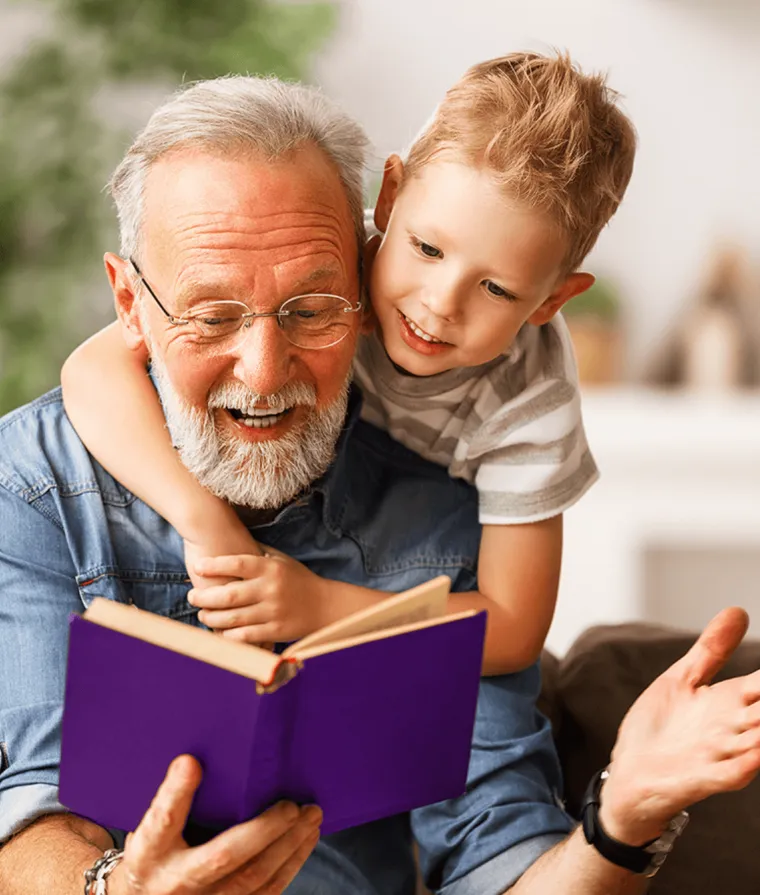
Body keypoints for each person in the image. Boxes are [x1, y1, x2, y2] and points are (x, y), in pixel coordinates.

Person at [1, 73, 760, 895]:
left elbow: (497, 850)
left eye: (314, 308)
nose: (263, 373)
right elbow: (32, 814)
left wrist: (624, 817)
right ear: (129, 302)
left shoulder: (466, 484)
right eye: (212, 315)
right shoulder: (38, 485)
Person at [60, 53, 635, 675]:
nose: (438, 304)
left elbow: (514, 630)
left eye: (496, 289)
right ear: (388, 199)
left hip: (404, 555)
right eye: (426, 248)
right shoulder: (319, 271)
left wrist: (322, 608)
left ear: (552, 299)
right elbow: (92, 371)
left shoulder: (530, 401)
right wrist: (211, 527)